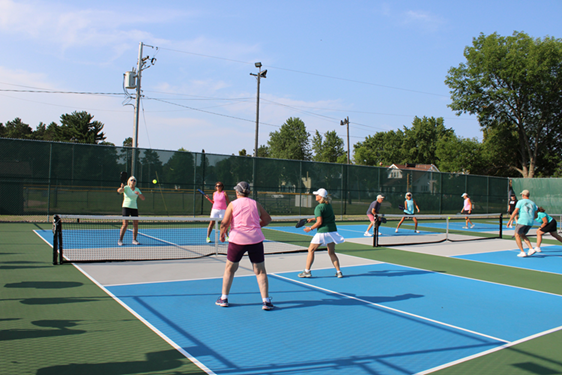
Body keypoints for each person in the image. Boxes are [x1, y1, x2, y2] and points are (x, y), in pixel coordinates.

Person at [216, 181, 274, 310]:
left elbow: (224, 223)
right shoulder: (255, 204)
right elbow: (267, 219)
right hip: (256, 240)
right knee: (260, 271)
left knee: (229, 270)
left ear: (237, 192)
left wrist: (222, 234)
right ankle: (266, 301)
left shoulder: (232, 204)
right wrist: (256, 226)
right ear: (248, 192)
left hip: (237, 241)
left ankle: (223, 298)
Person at [298, 188, 344, 278]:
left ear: (321, 197)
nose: (315, 196)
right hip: (332, 231)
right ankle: (339, 272)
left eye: (317, 195)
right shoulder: (328, 205)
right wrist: (312, 219)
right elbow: (325, 217)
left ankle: (307, 271)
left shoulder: (318, 207)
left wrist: (310, 228)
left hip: (323, 232)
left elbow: (319, 222)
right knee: (331, 252)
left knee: (311, 250)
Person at [117, 176, 145, 246]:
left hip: (134, 208)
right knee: (125, 224)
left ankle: (134, 240)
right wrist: (121, 188)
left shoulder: (137, 189)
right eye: (131, 180)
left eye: (134, 180)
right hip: (126, 207)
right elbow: (119, 191)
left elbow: (143, 198)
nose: (133, 181)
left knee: (135, 224)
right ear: (129, 181)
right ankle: (120, 240)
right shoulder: (126, 188)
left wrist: (138, 194)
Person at [509, 189, 538, 257]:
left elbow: (515, 211)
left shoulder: (520, 202)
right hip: (530, 222)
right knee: (522, 234)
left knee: (516, 235)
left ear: (523, 195)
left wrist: (510, 220)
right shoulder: (533, 203)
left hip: (522, 221)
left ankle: (522, 252)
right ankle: (531, 248)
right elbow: (536, 215)